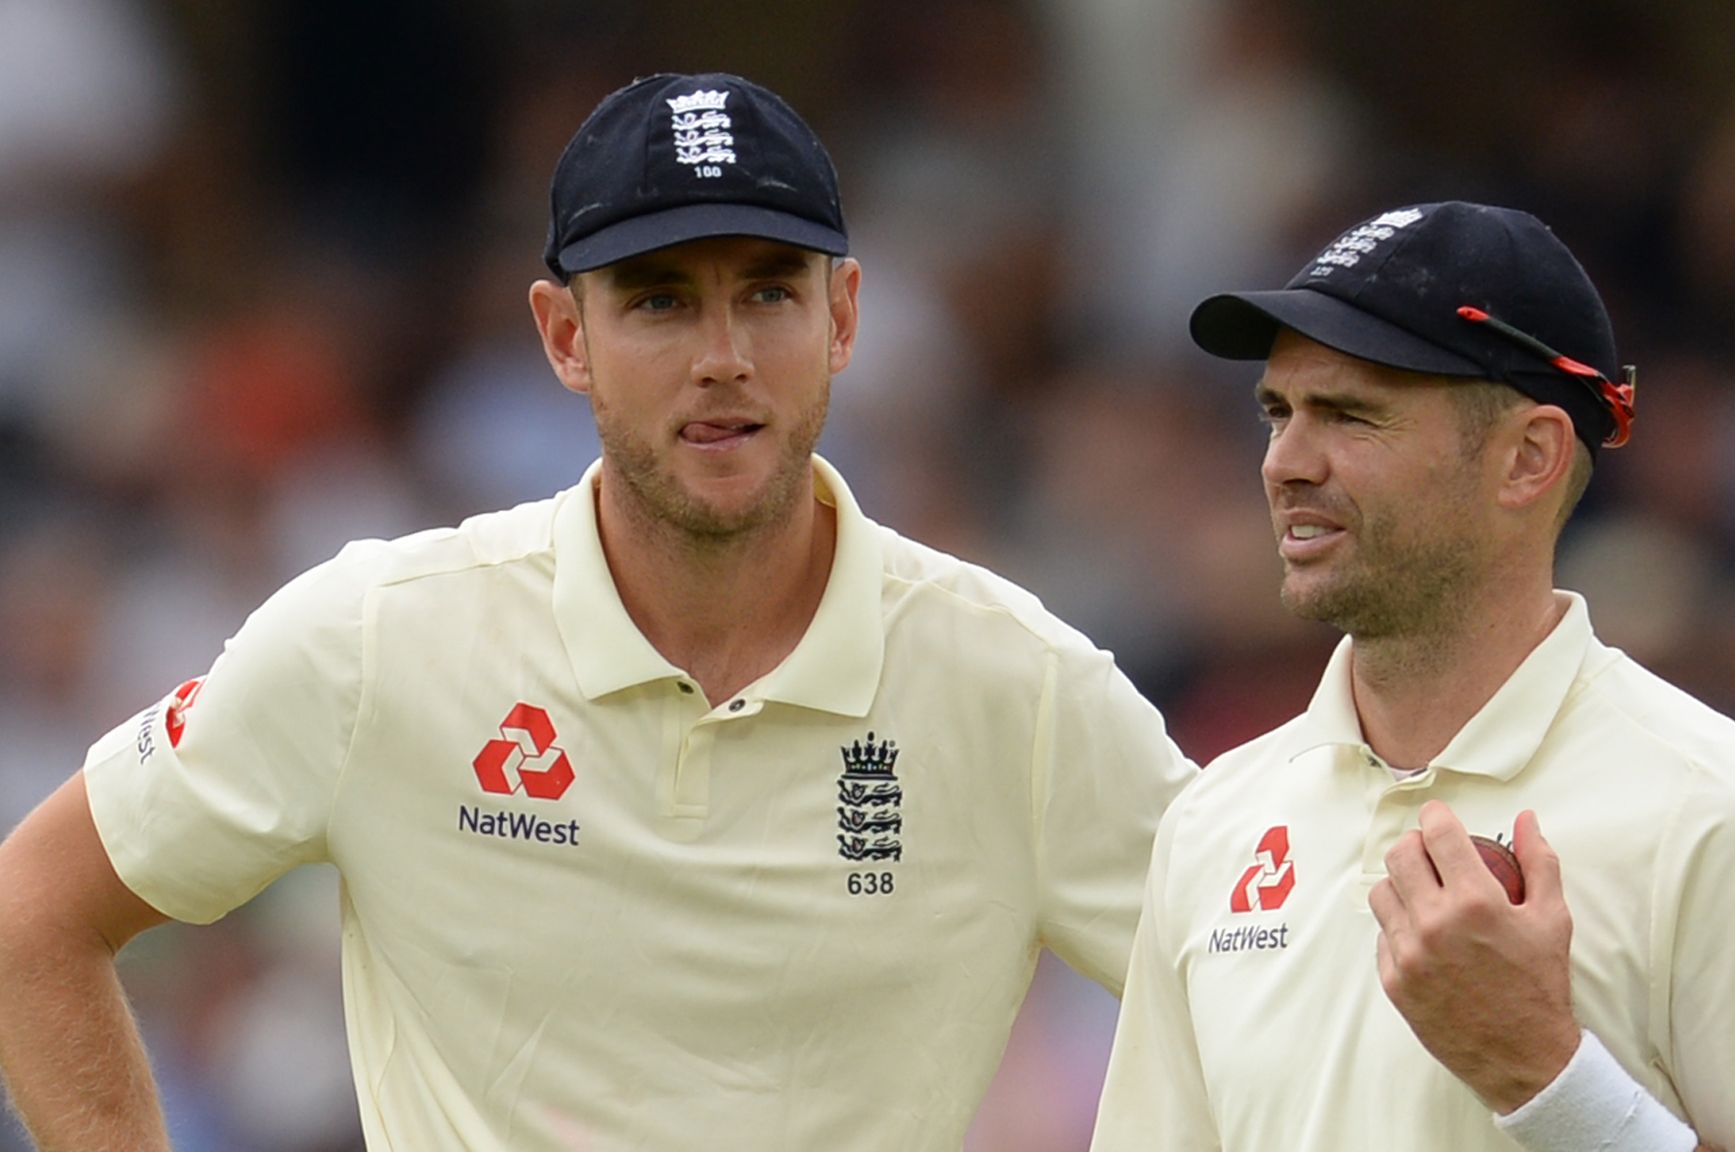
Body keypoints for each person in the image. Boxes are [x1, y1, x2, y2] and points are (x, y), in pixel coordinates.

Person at [0, 72, 1195, 1151]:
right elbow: (31, 914)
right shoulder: (379, 637)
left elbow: (1273, 994)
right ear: (565, 336)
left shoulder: (1019, 685)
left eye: (768, 295)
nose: (721, 356)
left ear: (841, 319)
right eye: (661, 303)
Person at [1089, 202, 1735, 1151]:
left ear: (1529, 457)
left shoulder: (1724, 820)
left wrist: (1545, 1074)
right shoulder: (1212, 823)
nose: (1285, 463)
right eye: (1278, 412)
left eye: (1351, 415)